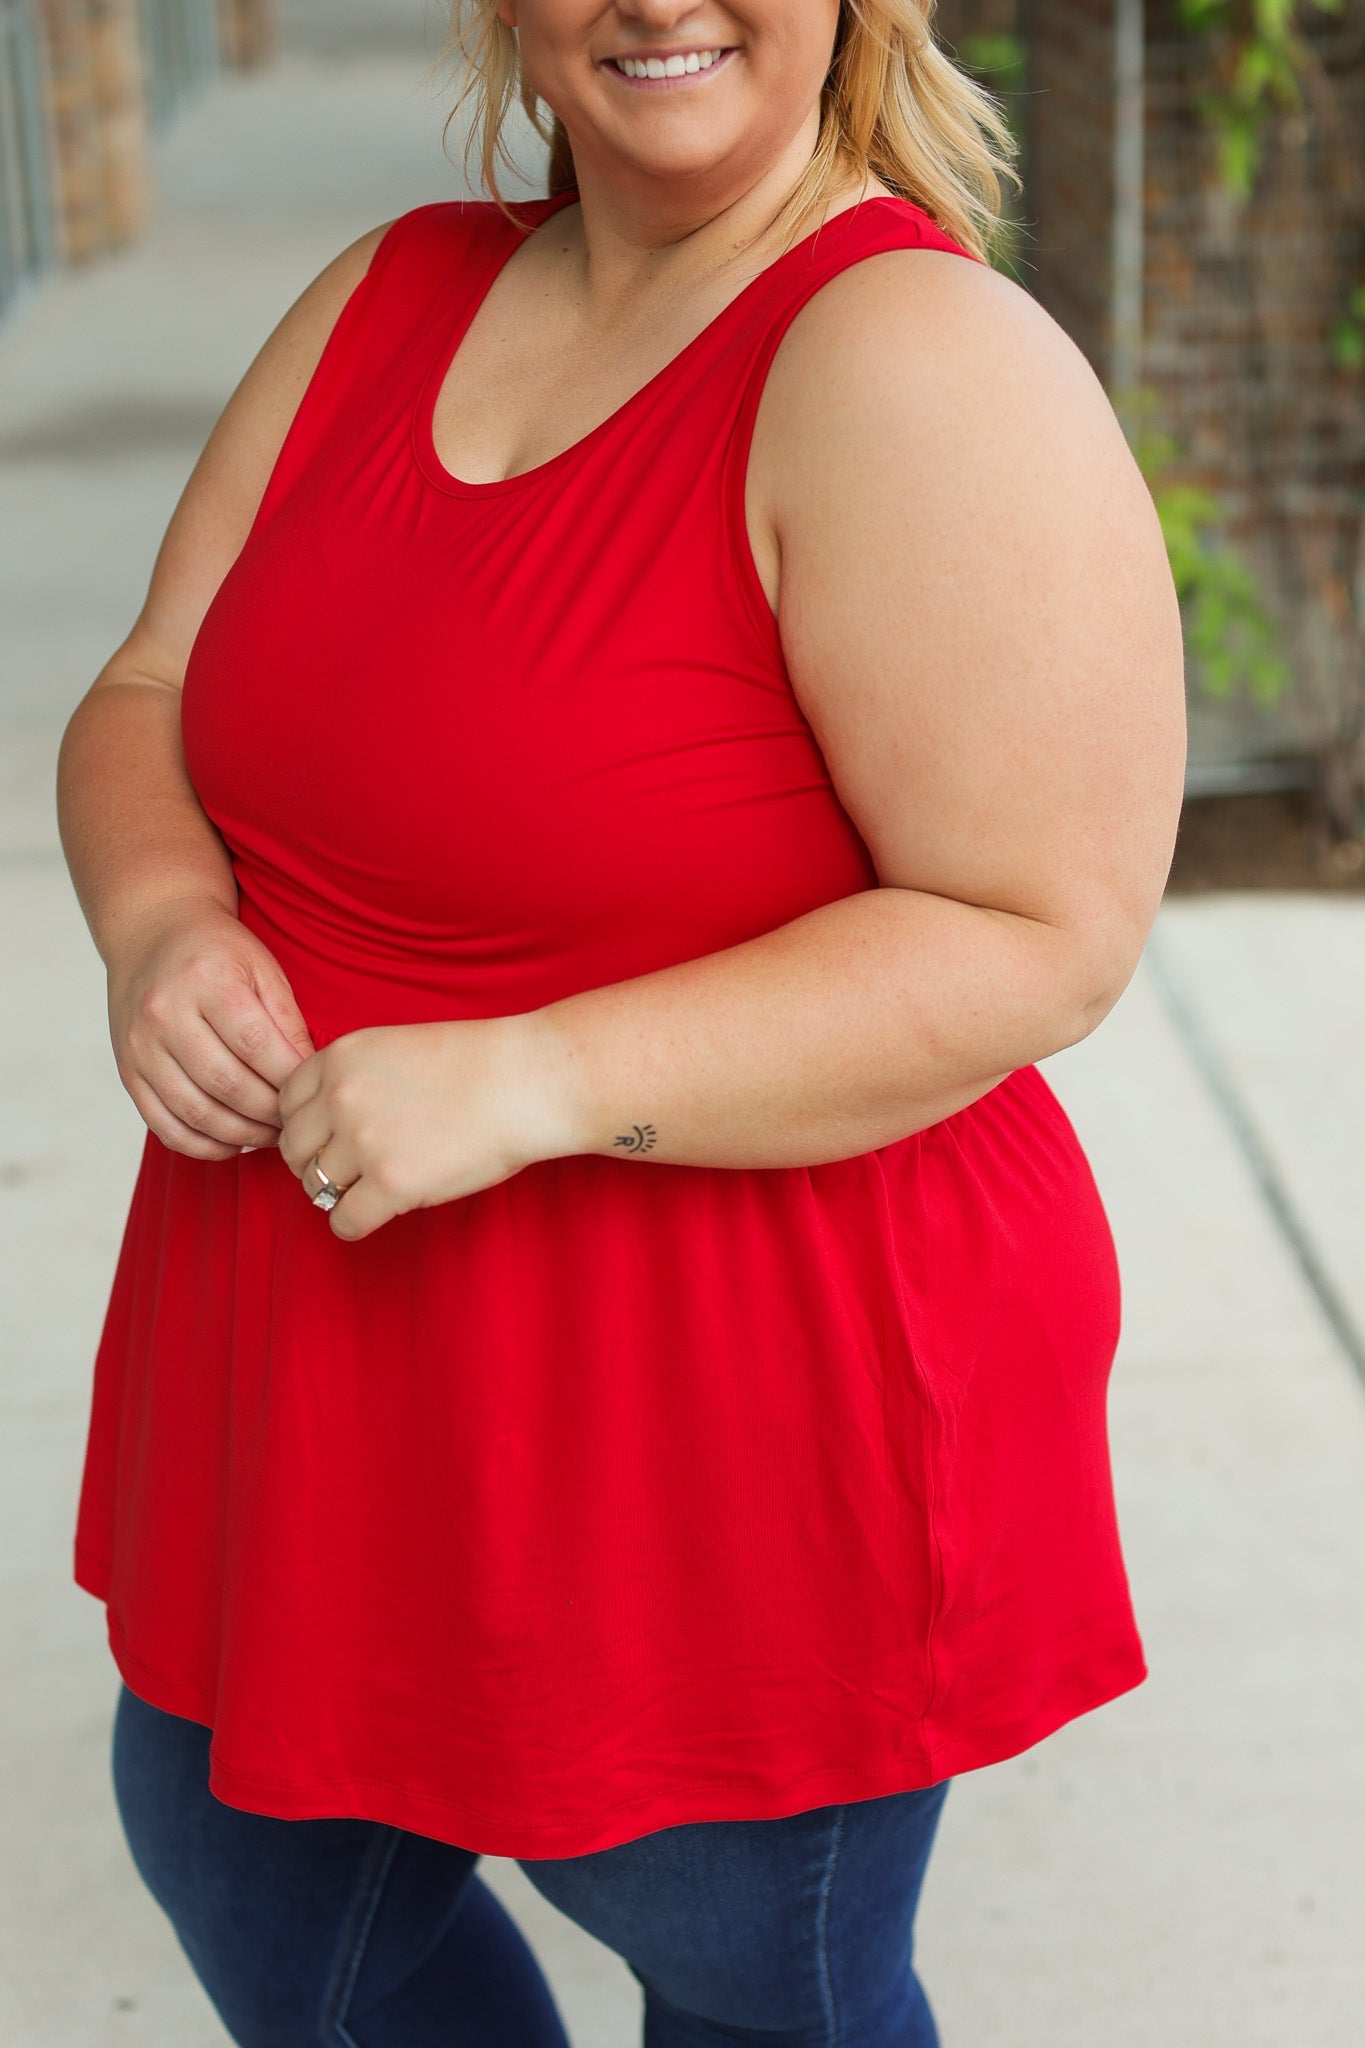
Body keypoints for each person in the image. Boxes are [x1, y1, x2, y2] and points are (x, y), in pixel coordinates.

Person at [55, 0, 1188, 2042]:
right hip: (325, 1347)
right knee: (240, 1850)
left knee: (750, 1977)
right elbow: (147, 690)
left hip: (712, 1410)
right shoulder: (391, 292)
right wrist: (162, 919)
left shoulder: (911, 366)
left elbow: (1042, 930)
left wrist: (539, 1076)